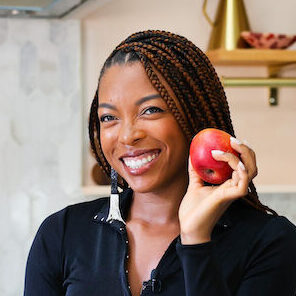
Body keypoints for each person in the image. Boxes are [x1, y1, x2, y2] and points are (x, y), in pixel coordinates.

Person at [24, 30, 296, 296]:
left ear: (194, 116)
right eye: (109, 117)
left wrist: (196, 240)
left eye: (150, 110)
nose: (128, 135)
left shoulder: (270, 242)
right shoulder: (62, 234)